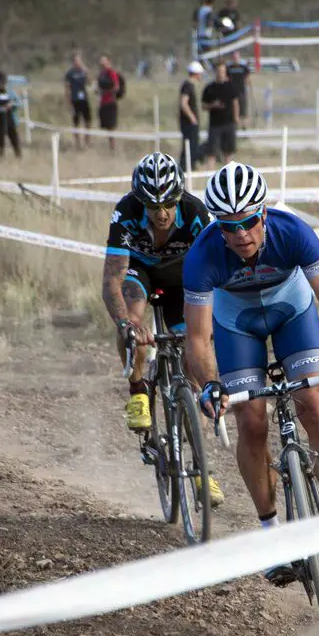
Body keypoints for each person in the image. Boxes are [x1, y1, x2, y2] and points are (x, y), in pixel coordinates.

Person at [183, 162, 319, 585]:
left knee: (314, 402)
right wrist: (210, 384)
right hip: (237, 324)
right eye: (229, 226)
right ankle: (271, 534)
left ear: (262, 215)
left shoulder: (293, 232)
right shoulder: (203, 255)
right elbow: (197, 338)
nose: (240, 234)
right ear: (218, 227)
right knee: (250, 419)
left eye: (248, 222)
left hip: (291, 313)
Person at [102, 152, 224, 506]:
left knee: (194, 368)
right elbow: (112, 277)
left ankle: (203, 473)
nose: (161, 213)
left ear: (179, 196)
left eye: (168, 203)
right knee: (134, 316)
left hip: (181, 279)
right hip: (140, 273)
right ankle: (138, 389)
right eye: (152, 205)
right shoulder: (125, 213)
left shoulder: (197, 213)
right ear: (140, 200)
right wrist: (126, 324)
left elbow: (216, 269)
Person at [201, 63, 239, 168]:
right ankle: (209, 174)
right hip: (215, 125)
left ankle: (227, 174)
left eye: (222, 71)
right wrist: (213, 105)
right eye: (219, 71)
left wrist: (236, 117)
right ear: (215, 72)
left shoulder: (231, 86)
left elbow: (235, 102)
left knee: (228, 152)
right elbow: (203, 106)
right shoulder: (209, 88)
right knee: (211, 152)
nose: (221, 73)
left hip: (229, 123)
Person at [179, 61, 204, 171]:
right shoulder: (188, 85)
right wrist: (192, 117)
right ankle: (186, 167)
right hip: (189, 123)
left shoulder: (190, 85)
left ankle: (191, 166)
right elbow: (183, 103)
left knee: (193, 145)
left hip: (190, 122)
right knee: (189, 146)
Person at [64, 51, 91, 148]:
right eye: (76, 61)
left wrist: (86, 71)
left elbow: (90, 82)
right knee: (76, 122)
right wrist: (68, 101)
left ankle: (87, 141)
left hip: (84, 99)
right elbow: (67, 88)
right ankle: (77, 142)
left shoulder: (83, 71)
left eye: (79, 60)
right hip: (75, 99)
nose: (77, 62)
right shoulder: (70, 73)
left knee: (87, 121)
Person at [97, 55, 120, 152]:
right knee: (106, 126)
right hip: (103, 103)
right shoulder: (101, 74)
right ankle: (110, 147)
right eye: (101, 63)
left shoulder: (112, 73)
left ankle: (113, 148)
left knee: (111, 126)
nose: (102, 64)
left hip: (110, 102)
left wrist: (107, 92)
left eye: (104, 62)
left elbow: (116, 87)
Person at [226, 50, 252, 131]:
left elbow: (247, 79)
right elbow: (226, 79)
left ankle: (244, 130)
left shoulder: (243, 67)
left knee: (243, 113)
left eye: (237, 56)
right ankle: (234, 129)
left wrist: (250, 89)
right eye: (234, 57)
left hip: (241, 93)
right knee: (233, 112)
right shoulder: (228, 68)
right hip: (231, 93)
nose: (235, 58)